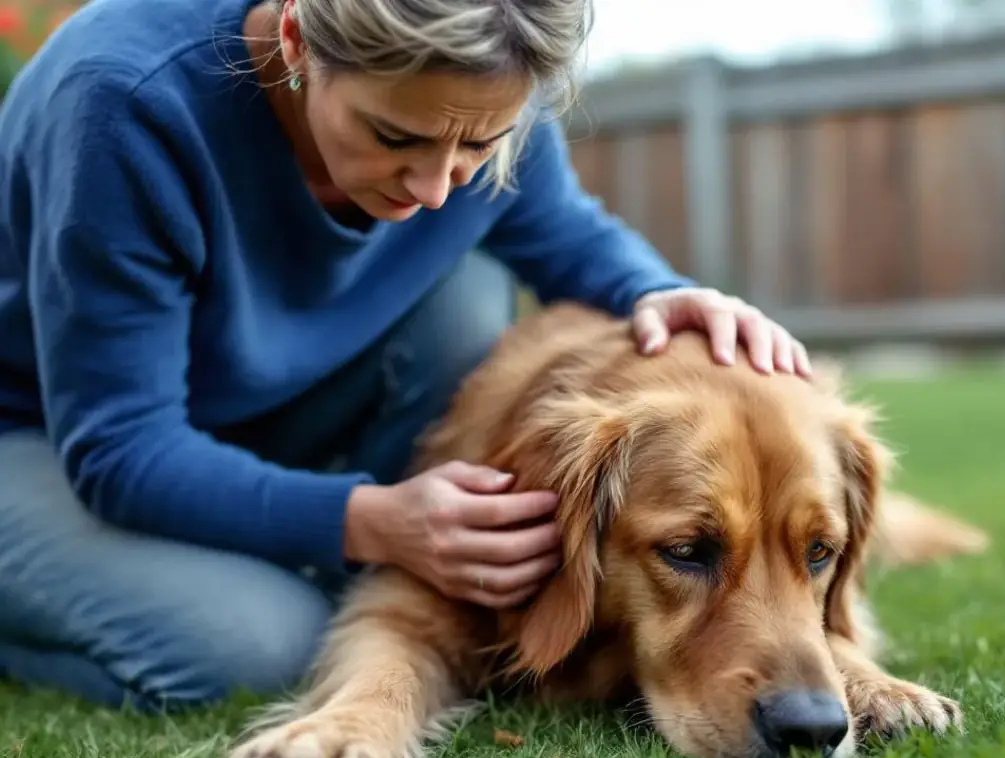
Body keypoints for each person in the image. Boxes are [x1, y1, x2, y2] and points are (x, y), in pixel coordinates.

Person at [0, 0, 812, 714]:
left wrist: (659, 291)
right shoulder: (125, 104)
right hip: (43, 441)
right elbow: (119, 449)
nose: (433, 189)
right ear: (296, 39)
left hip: (245, 416)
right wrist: (371, 522)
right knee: (266, 648)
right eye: (395, 136)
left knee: (467, 291)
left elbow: (564, 234)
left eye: (479, 146)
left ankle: (279, 549)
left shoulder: (484, 77)